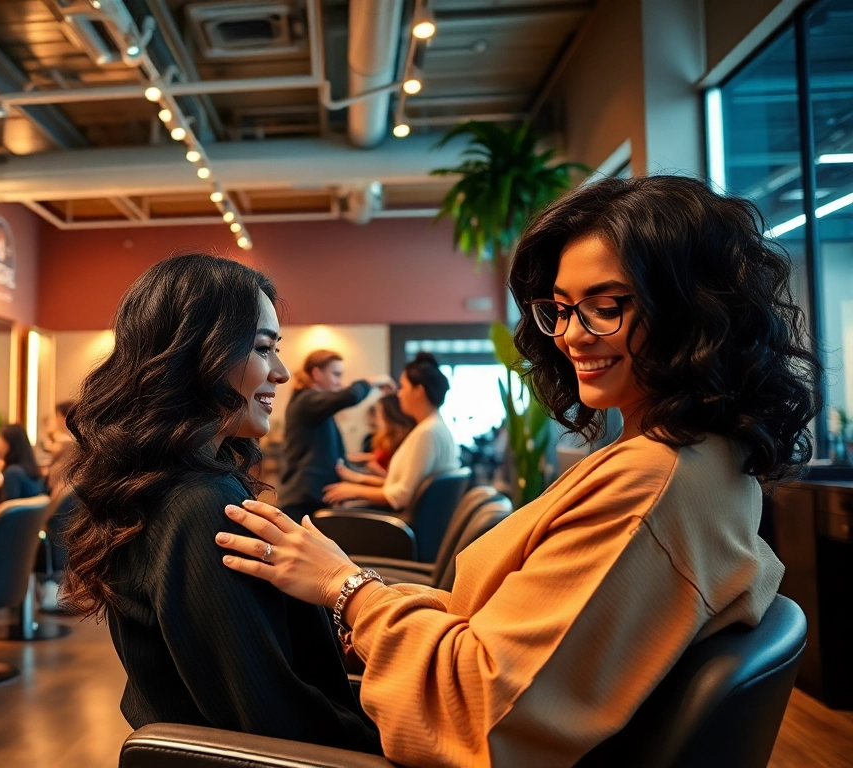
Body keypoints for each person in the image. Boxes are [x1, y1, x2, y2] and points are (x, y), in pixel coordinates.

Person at [214, 175, 820, 767]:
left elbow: (479, 714)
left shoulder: (652, 485)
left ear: (694, 308)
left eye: (604, 307)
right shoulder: (698, 461)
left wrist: (348, 591)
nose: (572, 336)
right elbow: (512, 633)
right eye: (559, 309)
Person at [61, 254, 379, 753]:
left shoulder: (175, 488)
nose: (281, 373)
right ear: (197, 355)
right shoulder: (202, 507)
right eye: (262, 348)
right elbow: (275, 723)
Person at [323, 352, 459, 514]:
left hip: (400, 524)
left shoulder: (427, 433)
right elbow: (399, 484)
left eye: (403, 387)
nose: (399, 394)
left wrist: (354, 490)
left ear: (418, 391)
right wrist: (357, 479)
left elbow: (400, 496)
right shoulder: (435, 428)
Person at [276, 350, 388, 520]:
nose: (339, 381)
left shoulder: (314, 404)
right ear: (316, 373)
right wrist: (370, 382)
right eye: (335, 374)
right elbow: (350, 395)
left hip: (312, 498)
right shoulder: (306, 401)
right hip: (302, 500)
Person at [346, 395, 416, 477]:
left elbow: (398, 481)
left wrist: (376, 473)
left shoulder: (403, 440)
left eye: (379, 413)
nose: (376, 419)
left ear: (390, 416)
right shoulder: (386, 437)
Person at [0, 423, 45, 504]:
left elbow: (9, 511)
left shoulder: (12, 473)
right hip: (32, 517)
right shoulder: (33, 470)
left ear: (8, 445)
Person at [42, 400, 77, 494]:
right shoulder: (73, 437)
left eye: (56, 416)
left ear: (63, 417)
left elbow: (49, 449)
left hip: (58, 485)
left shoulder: (65, 440)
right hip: (64, 485)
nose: (55, 420)